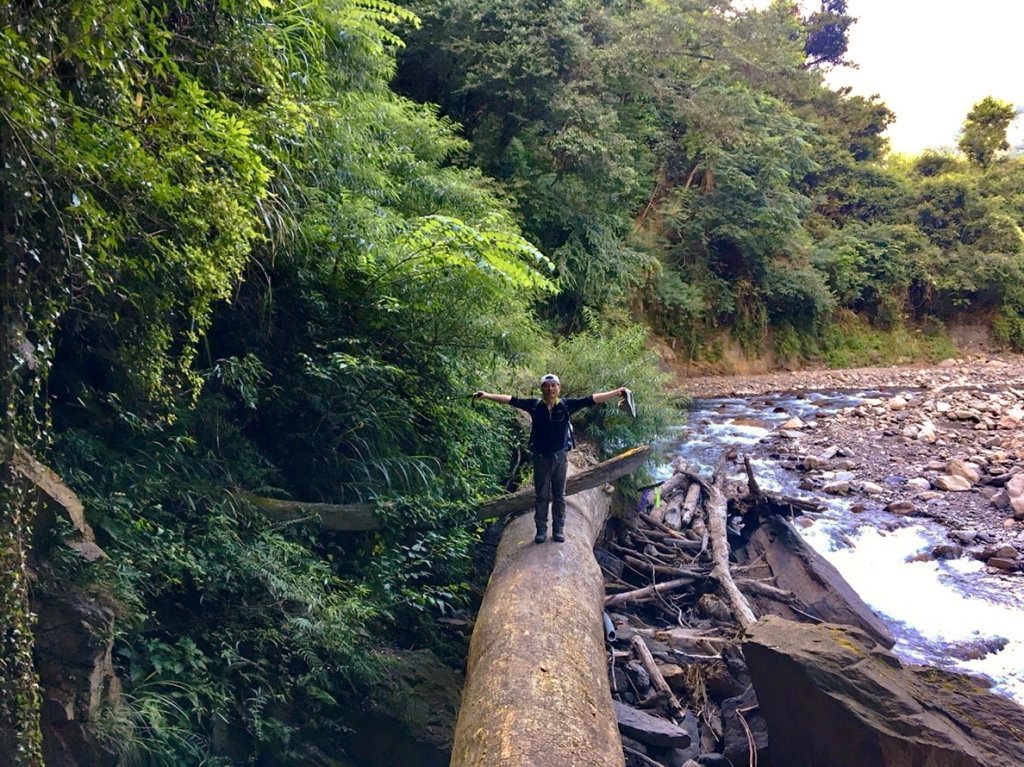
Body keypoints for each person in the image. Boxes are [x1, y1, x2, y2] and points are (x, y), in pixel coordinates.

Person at [474, 374, 629, 544]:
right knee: (541, 495)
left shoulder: (566, 405)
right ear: (542, 389)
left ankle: (558, 529)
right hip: (540, 458)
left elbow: (592, 399)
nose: (550, 389)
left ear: (559, 388)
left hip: (560, 457)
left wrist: (617, 392)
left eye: (554, 385)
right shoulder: (534, 405)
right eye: (547, 386)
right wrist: (486, 395)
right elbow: (510, 400)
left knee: (559, 495)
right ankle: (541, 530)